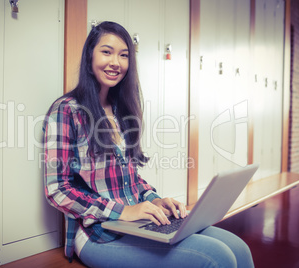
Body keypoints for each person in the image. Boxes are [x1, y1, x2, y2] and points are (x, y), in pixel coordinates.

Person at [43, 21, 254, 268]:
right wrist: (122, 212)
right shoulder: (67, 109)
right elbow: (57, 189)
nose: (116, 63)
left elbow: (130, 179)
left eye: (124, 55)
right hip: (97, 235)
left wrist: (155, 200)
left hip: (137, 223)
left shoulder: (122, 109)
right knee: (218, 257)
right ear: (90, 54)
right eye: (106, 52)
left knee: (238, 248)